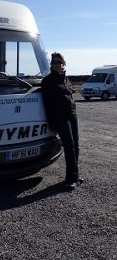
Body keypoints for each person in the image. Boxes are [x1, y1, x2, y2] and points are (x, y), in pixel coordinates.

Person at [41, 52, 82, 189]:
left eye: (59, 62)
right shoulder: (47, 81)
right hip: (60, 117)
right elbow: (46, 104)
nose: (56, 64)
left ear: (63, 64)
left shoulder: (66, 79)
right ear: (51, 64)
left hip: (72, 114)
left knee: (76, 145)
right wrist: (51, 122)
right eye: (54, 62)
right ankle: (72, 179)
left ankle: (73, 175)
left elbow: (70, 95)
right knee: (69, 146)